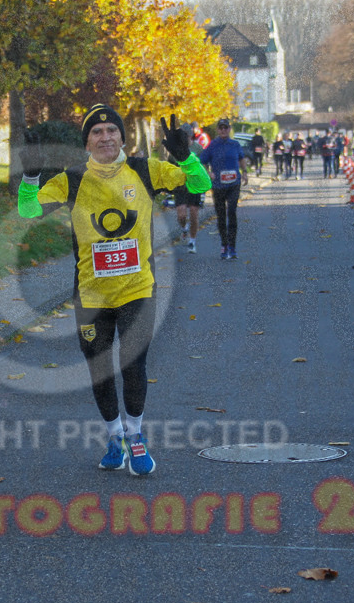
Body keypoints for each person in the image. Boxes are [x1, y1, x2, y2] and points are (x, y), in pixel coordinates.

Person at [17, 105, 211, 475]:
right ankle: (114, 436)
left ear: (123, 137)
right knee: (100, 370)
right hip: (91, 295)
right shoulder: (72, 179)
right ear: (86, 142)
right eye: (97, 132)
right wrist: (30, 176)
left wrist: (186, 158)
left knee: (133, 363)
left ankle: (136, 436)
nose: (105, 137)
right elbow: (28, 211)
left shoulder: (144, 169)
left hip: (138, 288)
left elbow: (201, 186)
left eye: (111, 130)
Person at [201, 118, 249, 260]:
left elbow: (241, 158)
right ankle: (224, 244)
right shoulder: (212, 145)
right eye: (220, 128)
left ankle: (232, 246)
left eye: (225, 128)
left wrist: (245, 171)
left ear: (229, 129)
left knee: (232, 212)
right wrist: (208, 173)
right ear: (217, 130)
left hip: (234, 183)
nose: (223, 130)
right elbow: (202, 161)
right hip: (218, 185)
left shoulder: (235, 144)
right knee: (221, 215)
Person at [172, 123, 206, 253]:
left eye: (185, 135)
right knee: (181, 214)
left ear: (190, 135)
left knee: (193, 213)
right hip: (180, 186)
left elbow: (203, 167)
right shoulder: (175, 150)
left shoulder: (198, 148)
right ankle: (184, 228)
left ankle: (192, 242)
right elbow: (170, 167)